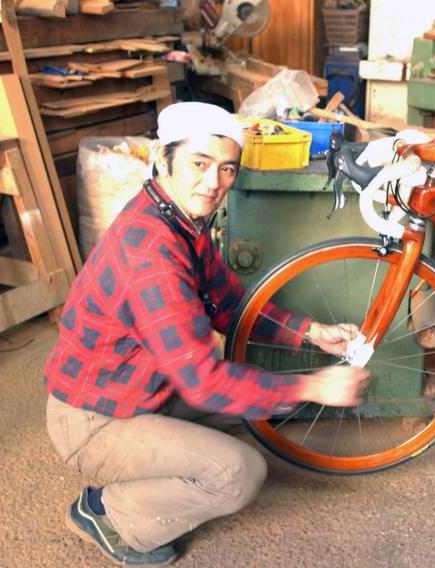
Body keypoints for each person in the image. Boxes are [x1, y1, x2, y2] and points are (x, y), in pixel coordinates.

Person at [44, 102, 369, 566]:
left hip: (141, 388)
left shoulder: (181, 221)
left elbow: (230, 304)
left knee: (256, 395)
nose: (213, 182)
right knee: (239, 472)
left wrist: (311, 333)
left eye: (227, 169)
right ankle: (109, 513)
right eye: (199, 163)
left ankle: (140, 473)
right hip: (94, 420)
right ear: (164, 159)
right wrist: (314, 385)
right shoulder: (151, 251)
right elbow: (201, 380)